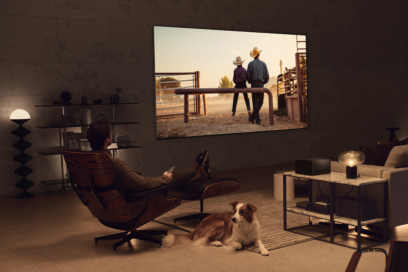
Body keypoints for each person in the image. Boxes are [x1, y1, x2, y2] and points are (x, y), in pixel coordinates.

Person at [86, 119, 210, 199]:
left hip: (112, 204)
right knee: (173, 177)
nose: (111, 136)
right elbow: (143, 184)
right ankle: (196, 169)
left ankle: (199, 172)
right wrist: (164, 178)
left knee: (171, 178)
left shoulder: (87, 163)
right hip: (135, 199)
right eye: (111, 134)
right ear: (107, 139)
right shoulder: (114, 163)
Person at [246, 47, 269, 125]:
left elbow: (248, 76)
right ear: (259, 54)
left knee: (255, 102)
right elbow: (267, 76)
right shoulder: (263, 63)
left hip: (253, 85)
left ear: (253, 55)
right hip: (260, 85)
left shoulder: (250, 64)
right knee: (261, 102)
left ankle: (253, 118)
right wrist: (263, 83)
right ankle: (257, 120)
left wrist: (250, 82)